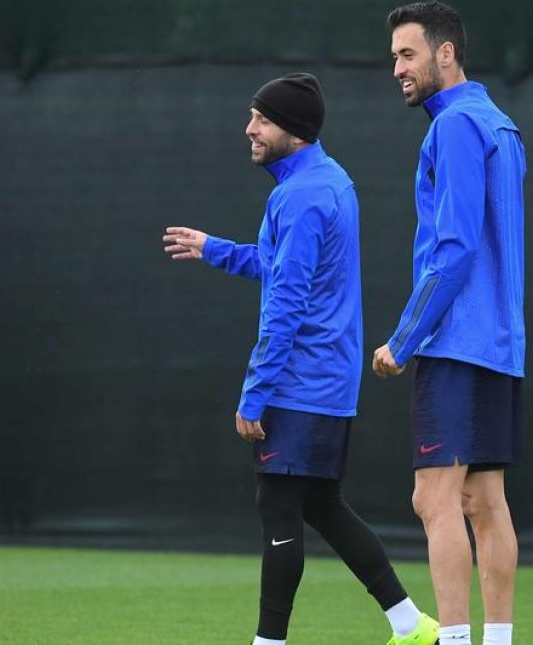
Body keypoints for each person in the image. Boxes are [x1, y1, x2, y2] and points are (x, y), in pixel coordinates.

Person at [162, 72, 438, 645]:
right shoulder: (323, 181)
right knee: (322, 505)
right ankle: (410, 625)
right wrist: (214, 248)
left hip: (300, 384)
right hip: (327, 382)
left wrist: (254, 392)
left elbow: (286, 304)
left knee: (280, 506)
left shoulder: (304, 194)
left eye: (261, 119)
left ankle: (270, 642)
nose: (250, 129)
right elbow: (282, 266)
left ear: (292, 128)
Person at [372, 1, 526, 645]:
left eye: (407, 55)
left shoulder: (456, 126)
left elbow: (455, 248)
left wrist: (403, 338)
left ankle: (455, 639)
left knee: (435, 500)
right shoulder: (501, 125)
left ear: (446, 52)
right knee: (483, 501)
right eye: (394, 59)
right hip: (500, 346)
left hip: (454, 342)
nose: (398, 70)